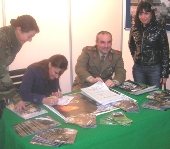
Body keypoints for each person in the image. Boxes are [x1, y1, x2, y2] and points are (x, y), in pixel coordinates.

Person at [0, 15, 39, 118]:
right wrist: (16, 98)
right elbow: (1, 71)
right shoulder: (2, 39)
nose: (30, 40)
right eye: (29, 36)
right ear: (19, 29)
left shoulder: (16, 39)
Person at [128, 1, 169, 89]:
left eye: (146, 13)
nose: (143, 17)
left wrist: (165, 73)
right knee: (140, 94)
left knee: (155, 96)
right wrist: (135, 56)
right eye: (141, 14)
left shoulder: (159, 28)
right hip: (138, 68)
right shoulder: (134, 28)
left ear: (151, 14)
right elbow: (131, 45)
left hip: (154, 69)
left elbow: (165, 51)